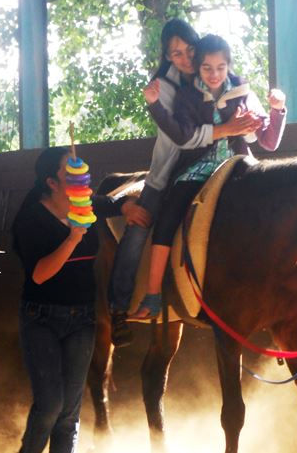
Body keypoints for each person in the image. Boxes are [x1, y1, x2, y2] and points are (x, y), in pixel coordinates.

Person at [108, 19, 262, 347]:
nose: (186, 58)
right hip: (170, 170)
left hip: (220, 164)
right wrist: (226, 130)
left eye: (190, 49)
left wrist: (254, 121)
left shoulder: (215, 74)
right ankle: (119, 306)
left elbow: (247, 115)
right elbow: (183, 137)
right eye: (176, 53)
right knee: (139, 229)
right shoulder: (164, 88)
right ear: (167, 56)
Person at [133, 33, 286, 320]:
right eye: (207, 68)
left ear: (228, 66)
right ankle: (153, 294)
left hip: (237, 169)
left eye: (220, 67)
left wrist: (277, 110)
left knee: (270, 210)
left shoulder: (242, 92)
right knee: (166, 220)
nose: (214, 74)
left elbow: (268, 142)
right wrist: (154, 105)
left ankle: (277, 285)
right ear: (198, 67)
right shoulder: (188, 96)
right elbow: (182, 135)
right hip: (197, 170)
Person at [11, 147, 147, 453]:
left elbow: (111, 202)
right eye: (68, 172)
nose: (79, 176)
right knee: (50, 406)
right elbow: (39, 275)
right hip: (41, 318)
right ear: (52, 183)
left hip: (82, 319)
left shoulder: (85, 204)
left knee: (69, 414)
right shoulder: (31, 218)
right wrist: (73, 238)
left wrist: (126, 207)